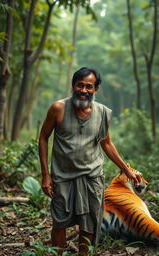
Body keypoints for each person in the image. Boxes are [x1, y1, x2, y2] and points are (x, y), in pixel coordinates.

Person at [38, 67, 142, 256]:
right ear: (73, 85)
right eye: (80, 85)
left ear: (96, 89)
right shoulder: (58, 108)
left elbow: (107, 143)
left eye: (89, 86)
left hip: (92, 177)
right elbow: (43, 137)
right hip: (62, 177)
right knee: (59, 222)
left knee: (89, 223)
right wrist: (46, 175)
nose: (83, 90)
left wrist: (126, 170)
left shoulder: (102, 112)